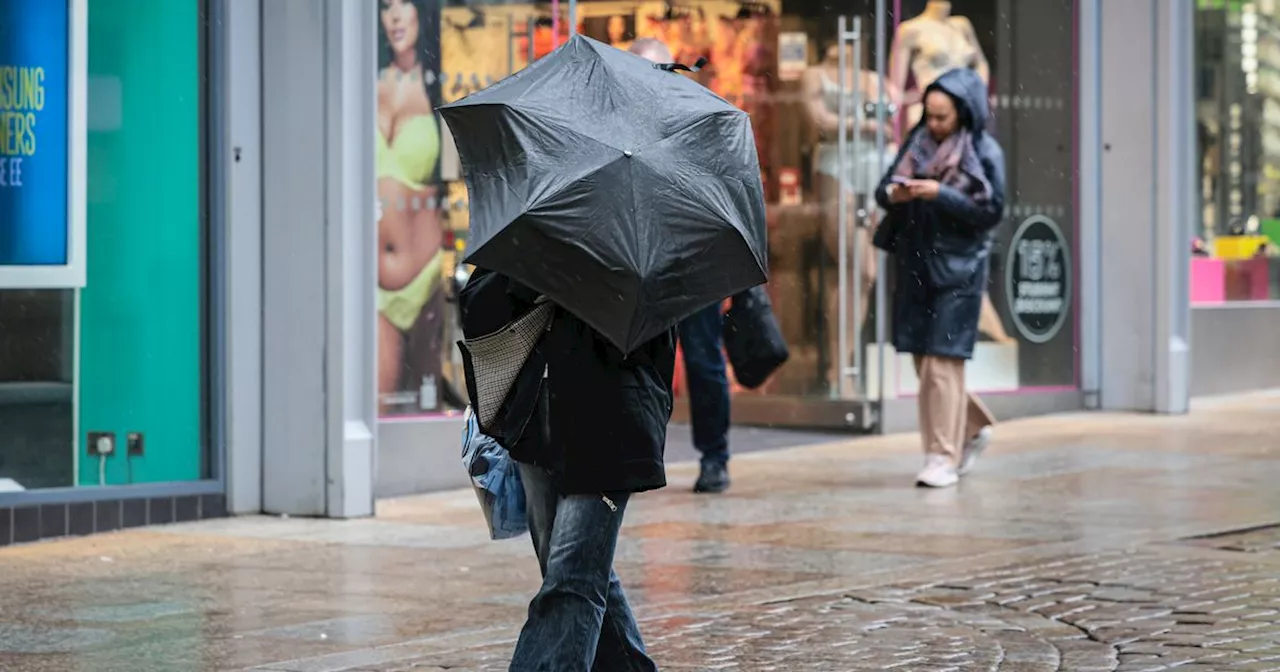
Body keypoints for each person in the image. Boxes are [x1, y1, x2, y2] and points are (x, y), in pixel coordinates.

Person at [459, 265, 673, 672]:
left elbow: (653, 340)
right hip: (538, 423)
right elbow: (478, 308)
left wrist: (583, 287)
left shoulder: (640, 246)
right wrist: (533, 280)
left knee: (572, 578)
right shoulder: (535, 229)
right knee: (575, 570)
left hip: (612, 427)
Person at [873, 67, 999, 489]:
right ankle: (973, 426)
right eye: (929, 114)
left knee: (942, 363)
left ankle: (941, 456)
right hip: (916, 261)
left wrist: (940, 194)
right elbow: (881, 190)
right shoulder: (917, 142)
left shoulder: (983, 151)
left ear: (964, 114)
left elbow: (990, 212)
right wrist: (900, 192)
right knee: (924, 360)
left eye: (942, 117)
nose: (933, 124)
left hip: (960, 267)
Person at [628, 37, 733, 494]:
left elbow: (719, 185)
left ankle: (715, 457)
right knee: (637, 364)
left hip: (693, 259)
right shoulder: (620, 118)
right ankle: (639, 457)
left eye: (657, 70)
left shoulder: (696, 116)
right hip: (640, 259)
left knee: (704, 361)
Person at [800, 39, 900, 396]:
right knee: (858, 268)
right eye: (840, 40)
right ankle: (837, 368)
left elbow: (899, 103)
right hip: (837, 167)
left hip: (876, 169)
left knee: (858, 276)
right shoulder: (815, 75)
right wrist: (866, 125)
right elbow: (818, 121)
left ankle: (841, 366)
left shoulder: (874, 77)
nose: (844, 46)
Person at [376, 0, 448, 414]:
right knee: (377, 412)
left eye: (404, 4)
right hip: (374, 287)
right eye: (386, 7)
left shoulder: (440, 85)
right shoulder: (365, 81)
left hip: (426, 276)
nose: (395, 16)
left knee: (423, 411)